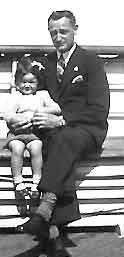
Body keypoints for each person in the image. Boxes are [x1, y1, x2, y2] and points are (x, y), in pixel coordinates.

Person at [10, 10, 109, 256]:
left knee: (63, 139)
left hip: (87, 129)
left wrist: (62, 119)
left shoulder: (91, 62)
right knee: (51, 142)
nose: (58, 36)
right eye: (53, 32)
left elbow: (99, 109)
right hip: (56, 131)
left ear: (76, 29)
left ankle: (44, 210)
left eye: (63, 31)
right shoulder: (46, 63)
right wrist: (25, 120)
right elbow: (35, 99)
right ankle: (53, 230)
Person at [3, 56, 61, 209]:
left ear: (38, 82)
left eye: (32, 82)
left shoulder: (42, 96)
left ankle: (36, 182)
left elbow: (57, 108)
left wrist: (42, 110)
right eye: (24, 82)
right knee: (17, 148)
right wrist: (15, 119)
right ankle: (18, 182)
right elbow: (7, 114)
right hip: (17, 133)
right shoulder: (16, 96)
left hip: (34, 134)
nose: (27, 85)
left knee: (37, 147)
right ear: (17, 82)